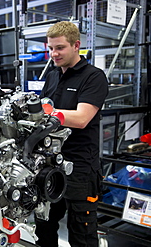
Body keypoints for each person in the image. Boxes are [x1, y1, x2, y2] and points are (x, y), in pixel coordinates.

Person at [35, 21, 109, 247]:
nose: (53, 54)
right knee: (44, 225)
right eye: (50, 49)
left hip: (80, 167)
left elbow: (81, 118)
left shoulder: (93, 77)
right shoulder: (52, 76)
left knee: (82, 232)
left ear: (76, 45)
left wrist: (48, 112)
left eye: (59, 48)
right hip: (49, 164)